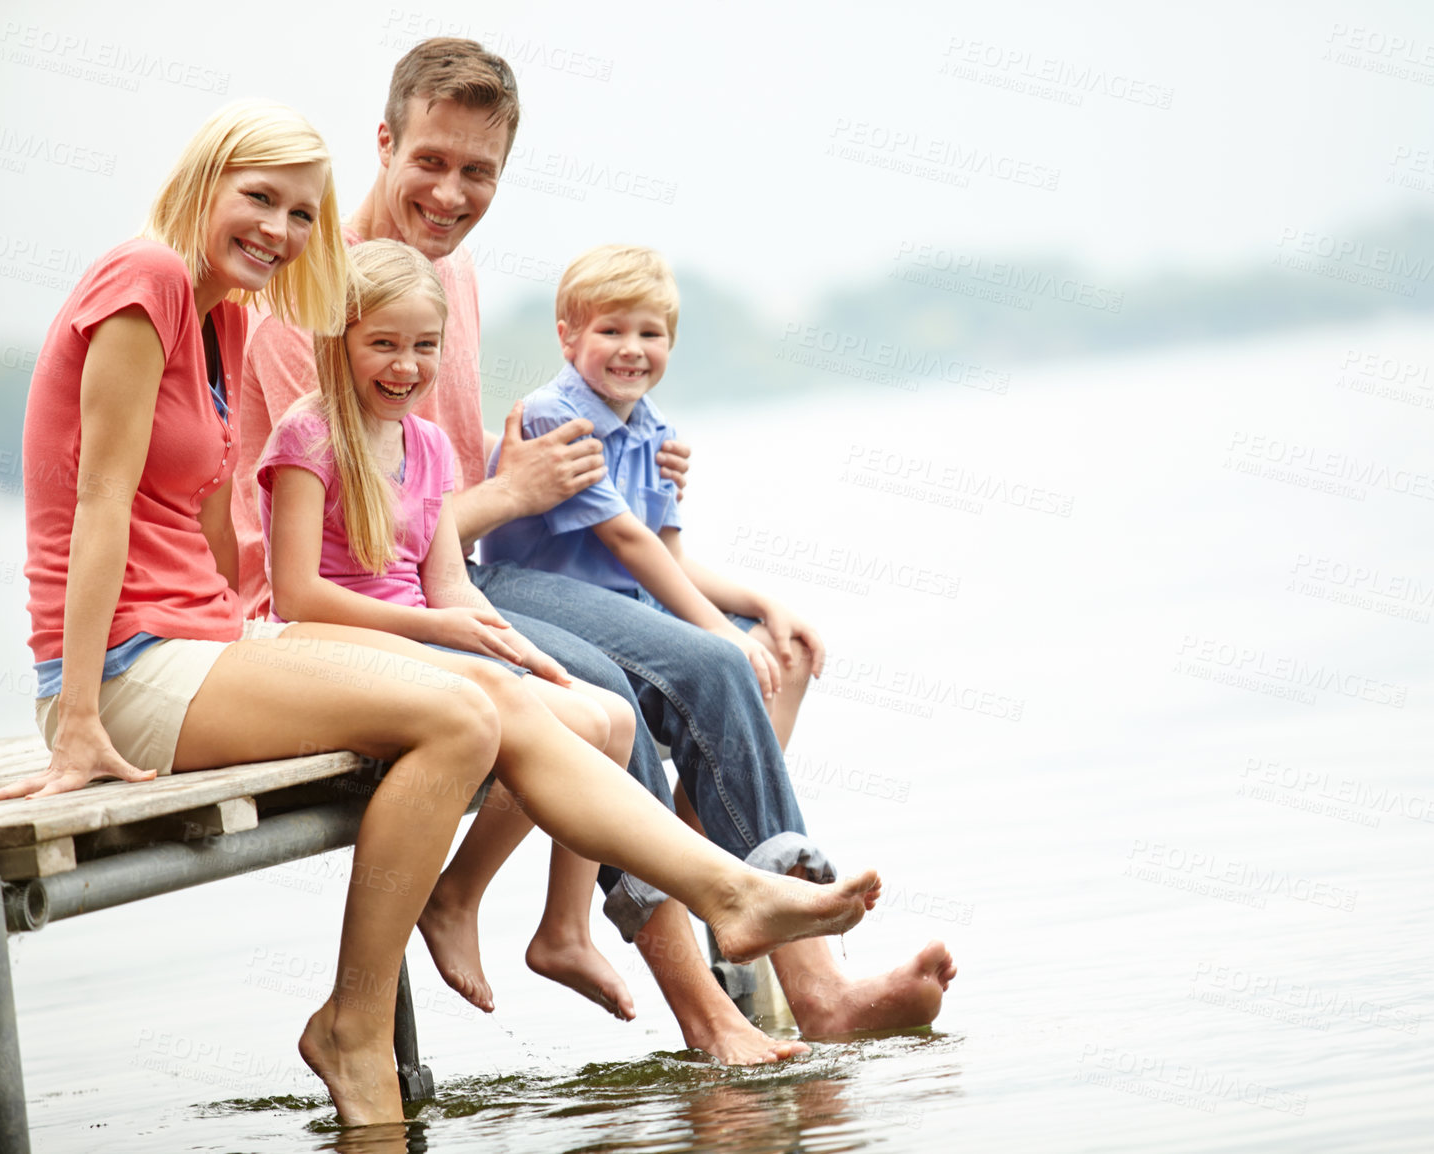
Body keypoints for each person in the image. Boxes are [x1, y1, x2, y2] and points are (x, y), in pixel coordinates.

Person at [0, 100, 878, 1128]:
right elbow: (101, 502)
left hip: (204, 644)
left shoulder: (223, 312)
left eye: (301, 214)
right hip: (132, 668)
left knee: (544, 697)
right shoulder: (141, 281)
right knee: (464, 714)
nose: (280, 230)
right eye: (260, 199)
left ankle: (726, 889)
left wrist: (259, 622)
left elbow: (203, 515)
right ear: (205, 179)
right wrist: (86, 714)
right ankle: (356, 1022)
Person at [228, 38, 954, 1060]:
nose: (449, 191)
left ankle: (798, 980)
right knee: (644, 675)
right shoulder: (306, 313)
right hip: (376, 614)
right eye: (429, 160)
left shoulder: (453, 277)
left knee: (729, 655)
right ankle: (714, 1008)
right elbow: (344, 539)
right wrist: (512, 491)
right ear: (382, 144)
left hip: (465, 572)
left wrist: (584, 462)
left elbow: (435, 463)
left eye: (478, 171)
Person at [258, 238, 641, 1020]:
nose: (405, 366)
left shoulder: (427, 444)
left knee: (611, 713)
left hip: (422, 635)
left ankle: (560, 926)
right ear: (341, 341)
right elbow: (295, 594)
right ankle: (454, 898)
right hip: (343, 650)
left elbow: (450, 582)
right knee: (571, 724)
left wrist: (521, 648)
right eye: (384, 345)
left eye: (424, 347)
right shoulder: (308, 436)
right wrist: (437, 628)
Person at [480, 245, 822, 739]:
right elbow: (627, 540)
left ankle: (698, 820)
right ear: (568, 339)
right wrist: (720, 632)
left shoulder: (657, 430)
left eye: (650, 333)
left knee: (789, 654)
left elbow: (669, 554)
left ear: (670, 342)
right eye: (611, 330)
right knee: (726, 660)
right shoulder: (555, 418)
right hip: (564, 615)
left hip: (639, 607)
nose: (632, 348)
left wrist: (761, 605)